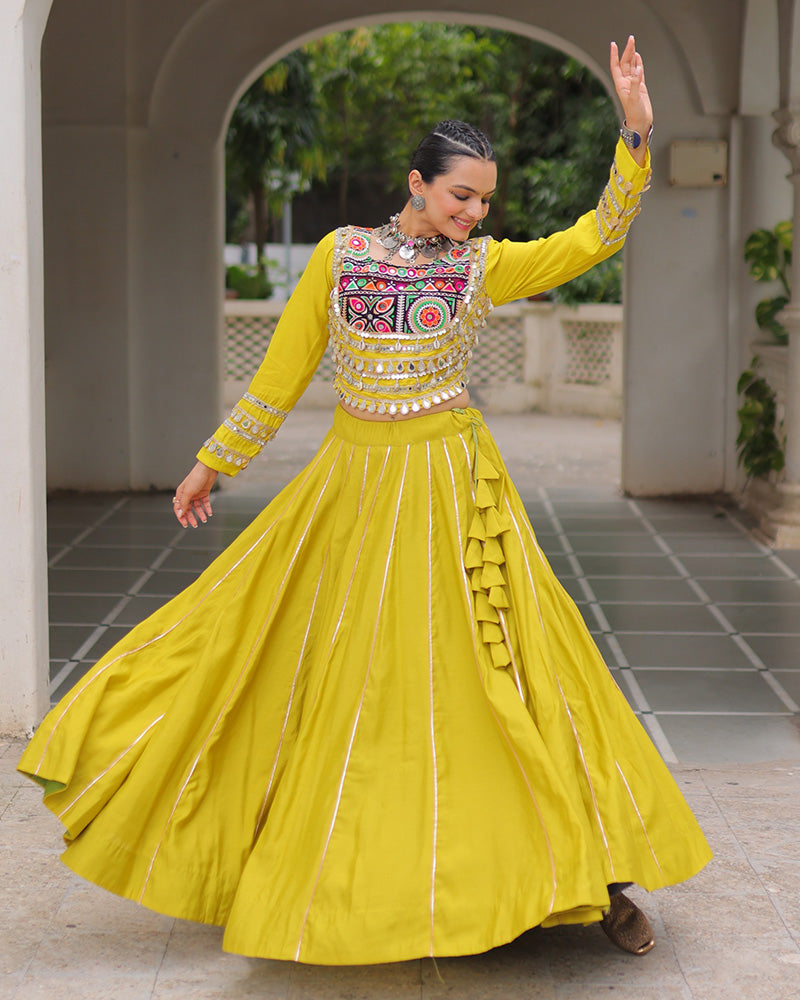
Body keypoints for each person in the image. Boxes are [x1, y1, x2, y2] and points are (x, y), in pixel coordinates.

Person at [19, 36, 711, 965]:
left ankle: (593, 876)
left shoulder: (483, 266)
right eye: (461, 194)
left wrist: (635, 133)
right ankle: (313, 864)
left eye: (486, 200)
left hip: (457, 492)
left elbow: (594, 238)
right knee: (308, 669)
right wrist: (212, 462)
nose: (474, 212)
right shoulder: (340, 258)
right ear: (417, 183)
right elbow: (282, 372)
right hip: (352, 487)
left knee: (516, 676)